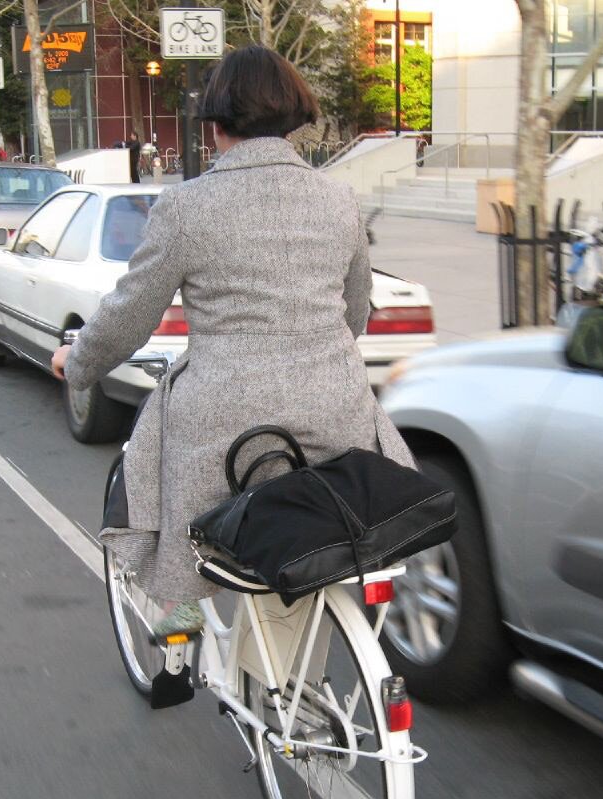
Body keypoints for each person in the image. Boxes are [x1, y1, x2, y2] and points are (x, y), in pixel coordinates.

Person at [49, 45, 414, 637]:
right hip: (333, 411)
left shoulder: (187, 206)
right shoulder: (338, 199)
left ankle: (180, 619)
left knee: (168, 488)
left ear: (215, 124)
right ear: (293, 117)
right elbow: (353, 312)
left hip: (227, 423)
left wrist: (79, 360)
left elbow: (130, 312)